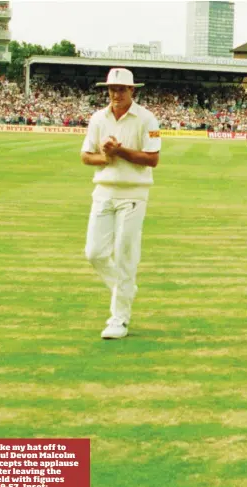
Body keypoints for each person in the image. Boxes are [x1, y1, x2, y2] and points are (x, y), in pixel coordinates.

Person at [81, 68, 161, 339]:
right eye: (112, 89)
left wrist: (120, 151)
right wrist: (105, 157)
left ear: (132, 91)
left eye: (121, 89)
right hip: (103, 192)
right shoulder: (98, 118)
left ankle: (119, 319)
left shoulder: (146, 118)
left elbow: (152, 159)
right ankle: (125, 289)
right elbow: (85, 156)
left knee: (126, 255)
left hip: (134, 195)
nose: (116, 94)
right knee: (94, 253)